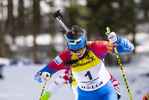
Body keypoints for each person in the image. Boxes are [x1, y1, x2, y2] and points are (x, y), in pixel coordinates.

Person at [34, 25, 134, 100]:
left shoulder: (97, 47)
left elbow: (129, 48)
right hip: (84, 95)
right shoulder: (65, 57)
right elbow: (38, 75)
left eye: (81, 49)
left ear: (86, 43)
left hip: (106, 92)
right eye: (74, 51)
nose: (78, 53)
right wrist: (42, 75)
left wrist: (118, 40)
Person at [41, 70, 121, 100]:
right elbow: (54, 87)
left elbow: (113, 81)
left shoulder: (95, 68)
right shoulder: (68, 73)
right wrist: (44, 97)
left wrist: (116, 91)